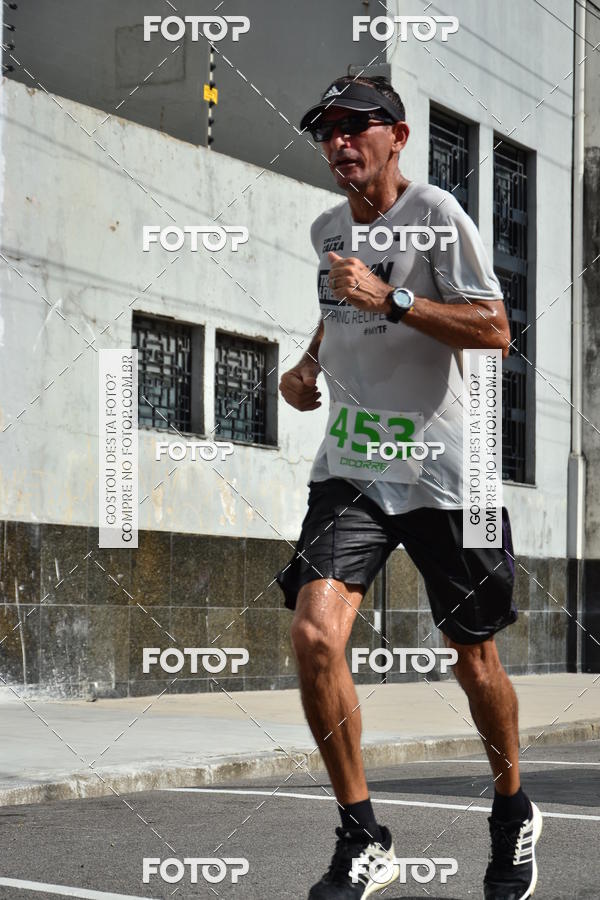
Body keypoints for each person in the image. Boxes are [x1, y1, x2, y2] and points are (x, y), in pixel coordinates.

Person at [276, 75, 542, 900]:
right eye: (327, 130)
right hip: (352, 469)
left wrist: (392, 297)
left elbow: (494, 328)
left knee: (474, 658)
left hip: (444, 474)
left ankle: (511, 809)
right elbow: (339, 301)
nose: (339, 142)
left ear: (397, 136)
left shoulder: (437, 213)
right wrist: (310, 363)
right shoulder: (327, 227)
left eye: (356, 127)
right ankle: (363, 836)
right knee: (316, 637)